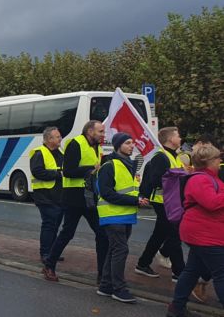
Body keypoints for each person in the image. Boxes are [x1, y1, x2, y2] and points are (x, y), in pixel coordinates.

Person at [43, 120, 108, 283]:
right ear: (90, 131)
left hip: (90, 196)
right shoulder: (76, 143)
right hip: (73, 197)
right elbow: (69, 171)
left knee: (102, 234)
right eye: (100, 131)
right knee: (67, 233)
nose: (103, 134)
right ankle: (49, 264)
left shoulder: (97, 147)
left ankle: (103, 275)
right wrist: (90, 170)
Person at [168, 145, 224, 316]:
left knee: (192, 270)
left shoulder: (210, 178)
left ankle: (177, 308)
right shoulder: (199, 179)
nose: (220, 161)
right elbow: (212, 203)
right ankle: (176, 307)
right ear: (208, 162)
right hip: (205, 234)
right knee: (221, 272)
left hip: (206, 233)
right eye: (217, 159)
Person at [96, 132, 148, 304]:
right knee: (121, 250)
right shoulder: (109, 166)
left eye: (132, 142)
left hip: (125, 215)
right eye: (127, 143)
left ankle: (105, 286)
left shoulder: (128, 165)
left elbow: (128, 189)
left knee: (113, 250)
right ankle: (119, 289)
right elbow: (107, 193)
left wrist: (139, 198)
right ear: (118, 146)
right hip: (113, 216)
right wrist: (135, 200)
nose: (132, 146)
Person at [135, 127, 186, 280]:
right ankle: (179, 273)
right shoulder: (161, 157)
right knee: (175, 236)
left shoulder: (174, 156)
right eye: (178, 135)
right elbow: (155, 180)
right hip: (162, 202)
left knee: (160, 234)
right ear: (170, 139)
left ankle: (143, 264)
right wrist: (175, 177)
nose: (180, 138)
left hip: (171, 202)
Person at [31, 127, 65, 270]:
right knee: (49, 224)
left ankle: (52, 252)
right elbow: (37, 171)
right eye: (57, 137)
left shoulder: (61, 152)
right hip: (44, 196)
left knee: (56, 225)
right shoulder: (39, 153)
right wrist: (58, 174)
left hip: (60, 196)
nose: (60, 139)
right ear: (49, 139)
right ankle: (45, 253)